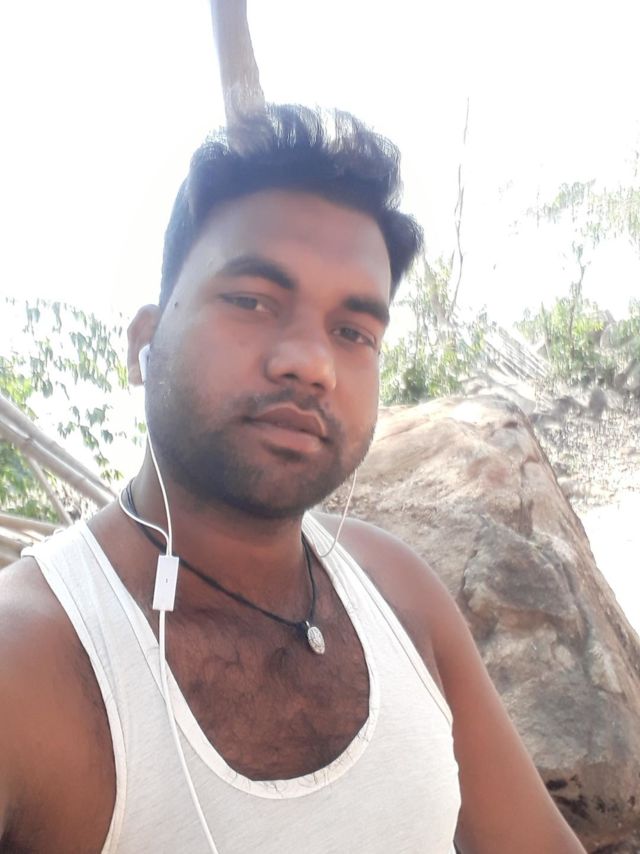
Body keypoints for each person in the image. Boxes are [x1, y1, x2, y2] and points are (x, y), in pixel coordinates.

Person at [0, 105, 584, 853]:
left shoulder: (396, 588)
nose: (312, 363)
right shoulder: (28, 665)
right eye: (251, 300)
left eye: (353, 332)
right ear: (145, 341)